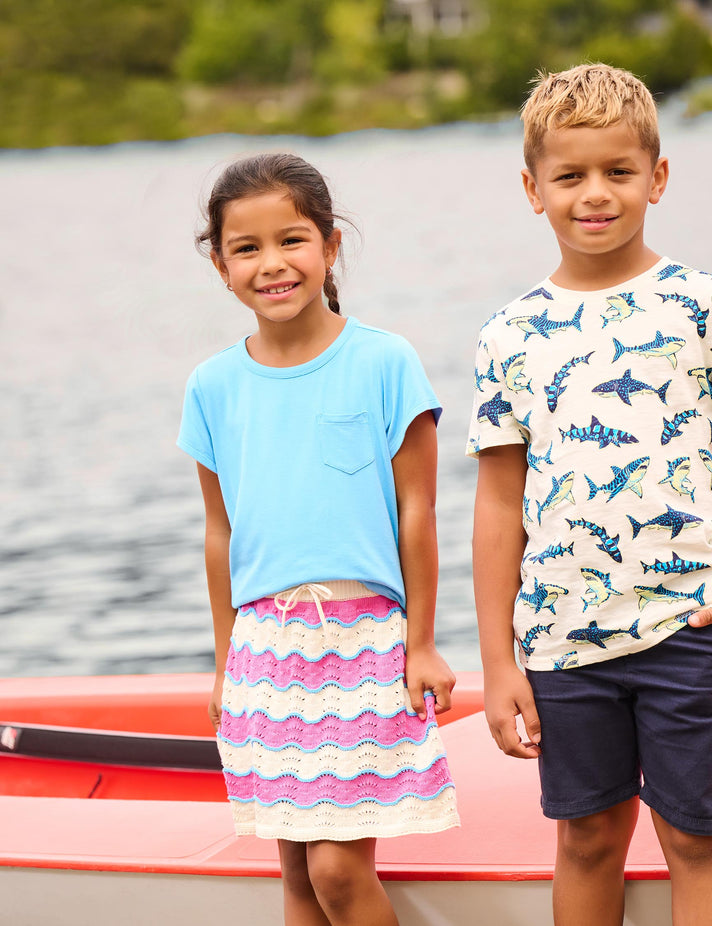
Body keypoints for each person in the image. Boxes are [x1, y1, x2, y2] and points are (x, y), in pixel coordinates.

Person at [468, 63, 712, 926]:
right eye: (569, 176)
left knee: (695, 838)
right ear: (532, 189)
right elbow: (497, 504)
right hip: (560, 637)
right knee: (584, 838)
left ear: (656, 176)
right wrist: (498, 661)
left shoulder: (707, 305)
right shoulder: (508, 334)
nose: (594, 194)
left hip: (692, 623)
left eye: (618, 171)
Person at [178, 152, 459, 926]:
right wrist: (224, 661)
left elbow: (417, 514)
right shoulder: (212, 386)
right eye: (247, 248)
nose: (272, 264)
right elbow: (219, 532)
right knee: (298, 874)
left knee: (337, 869)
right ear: (221, 265)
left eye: (292, 240)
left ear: (330, 245)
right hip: (264, 650)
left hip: (364, 641)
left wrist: (421, 643)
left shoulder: (383, 361)